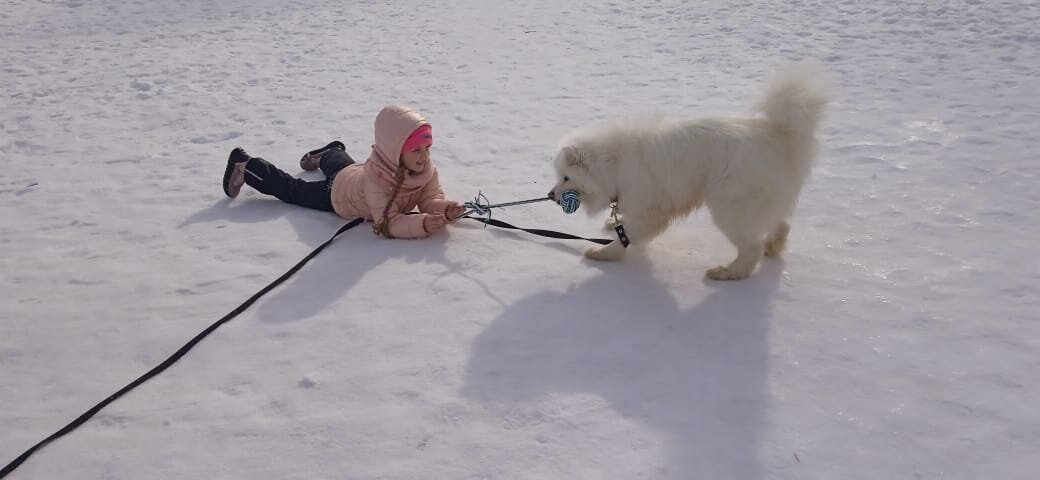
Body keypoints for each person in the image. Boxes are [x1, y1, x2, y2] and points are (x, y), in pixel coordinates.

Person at [221, 105, 467, 238]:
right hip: (338, 195)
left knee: (343, 167)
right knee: (294, 190)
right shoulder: (378, 180)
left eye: (427, 148)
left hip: (354, 172)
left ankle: (331, 151)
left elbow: (429, 199)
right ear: (394, 150)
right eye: (416, 151)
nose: (424, 157)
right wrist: (421, 226)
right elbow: (387, 222)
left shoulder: (426, 170)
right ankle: (247, 166)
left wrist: (444, 209)